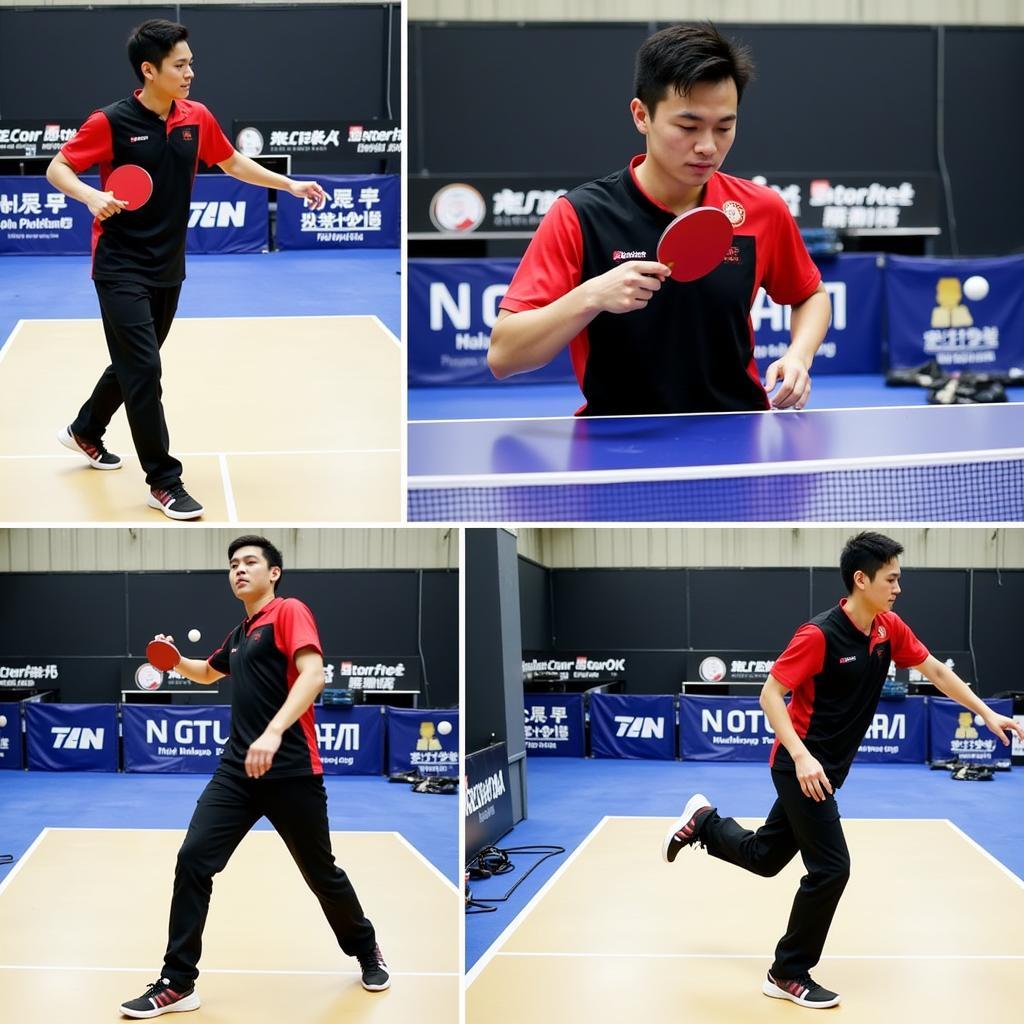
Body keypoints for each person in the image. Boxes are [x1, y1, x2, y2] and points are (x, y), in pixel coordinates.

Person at [661, 531, 1024, 1009]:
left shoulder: (887, 629)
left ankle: (702, 821)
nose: (898, 587)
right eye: (891, 578)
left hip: (829, 769)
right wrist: (802, 755)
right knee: (832, 868)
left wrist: (986, 711)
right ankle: (787, 971)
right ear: (862, 579)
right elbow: (770, 696)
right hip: (801, 767)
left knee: (766, 858)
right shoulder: (819, 635)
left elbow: (936, 671)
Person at [46, 20, 327, 520]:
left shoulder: (196, 117)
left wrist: (289, 185)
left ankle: (85, 430)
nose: (191, 72)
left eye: (191, 62)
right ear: (149, 70)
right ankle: (164, 481)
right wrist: (90, 195)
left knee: (136, 361)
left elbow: (234, 162)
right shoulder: (110, 122)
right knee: (146, 370)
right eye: (180, 65)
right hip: (119, 265)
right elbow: (58, 167)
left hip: (168, 266)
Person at [488, 22, 831, 416]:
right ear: (641, 115)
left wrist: (799, 356)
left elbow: (810, 294)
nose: (707, 146)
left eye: (725, 127)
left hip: (737, 430)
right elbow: (503, 355)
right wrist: (591, 297)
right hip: (616, 441)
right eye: (687, 126)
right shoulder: (580, 216)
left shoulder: (762, 209)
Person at [119, 535, 388, 1019]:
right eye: (232, 565)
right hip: (236, 774)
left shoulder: (288, 612)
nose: (238, 570)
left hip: (291, 771)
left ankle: (365, 947)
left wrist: (273, 731)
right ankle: (178, 982)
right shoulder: (242, 633)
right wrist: (174, 658)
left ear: (274, 573)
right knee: (194, 859)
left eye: (249, 563)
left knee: (321, 874)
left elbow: (314, 674)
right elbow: (206, 673)